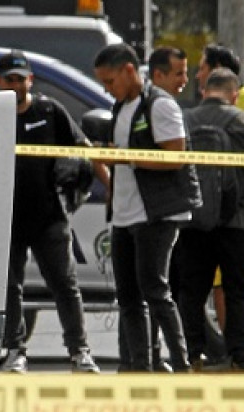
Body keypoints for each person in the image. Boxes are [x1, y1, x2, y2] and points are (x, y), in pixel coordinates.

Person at [93, 43, 200, 373]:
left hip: (157, 213)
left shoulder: (160, 105)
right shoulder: (121, 108)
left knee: (155, 291)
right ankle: (140, 366)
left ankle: (182, 365)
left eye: (110, 81)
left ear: (128, 70)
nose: (107, 89)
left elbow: (175, 156)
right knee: (127, 297)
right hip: (125, 213)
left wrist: (124, 156)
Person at [0, 50, 102, 374]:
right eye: (9, 79)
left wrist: (105, 184)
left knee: (64, 285)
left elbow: (84, 150)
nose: (16, 85)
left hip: (48, 217)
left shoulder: (49, 110)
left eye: (21, 79)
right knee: (9, 288)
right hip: (5, 218)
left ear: (30, 79)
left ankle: (80, 352)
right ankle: (14, 351)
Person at [178, 67, 244, 372]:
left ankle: (193, 353)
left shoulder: (184, 120)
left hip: (194, 220)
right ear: (234, 95)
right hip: (239, 222)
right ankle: (241, 357)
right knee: (239, 290)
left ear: (205, 91)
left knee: (191, 292)